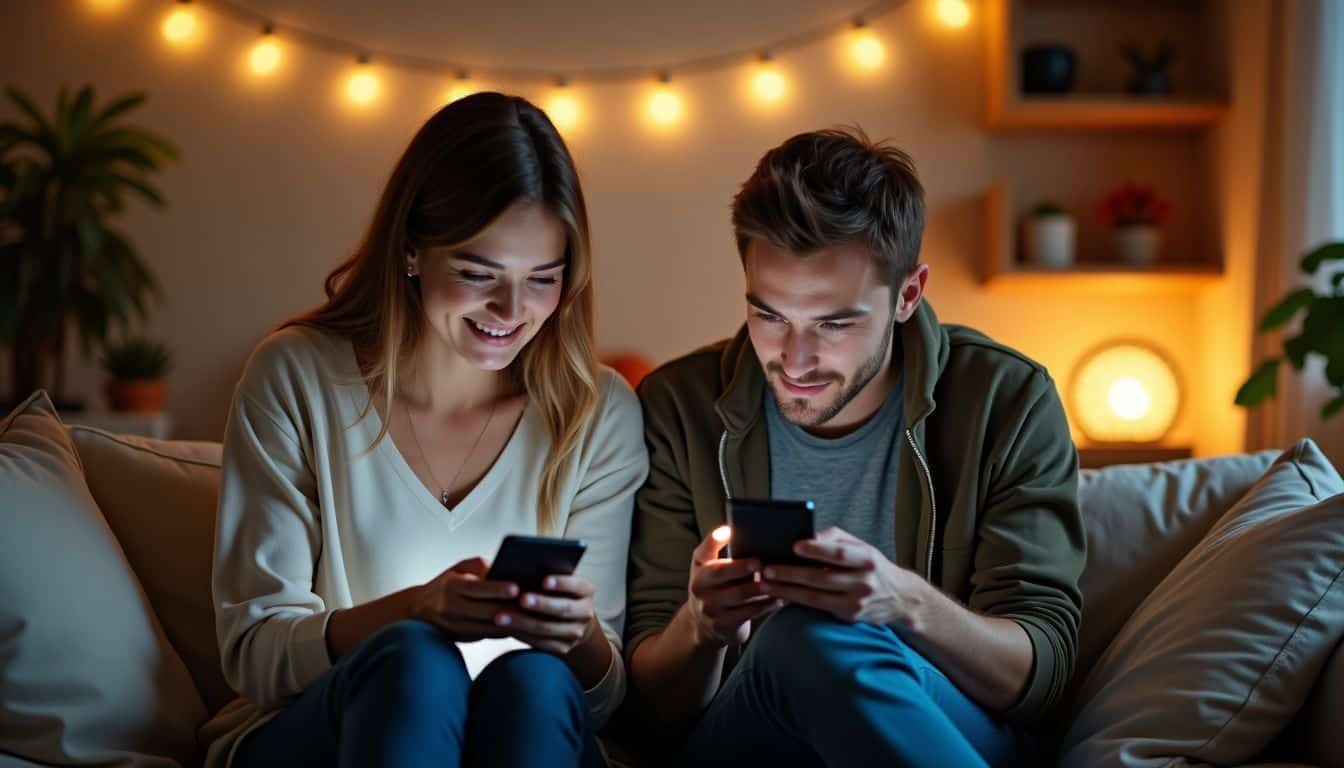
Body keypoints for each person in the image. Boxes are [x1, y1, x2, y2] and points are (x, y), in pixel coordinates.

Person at [205, 92, 648, 768]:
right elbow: (256, 655)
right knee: (417, 662)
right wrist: (413, 611)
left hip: (523, 722)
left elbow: (600, 701)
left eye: (542, 279)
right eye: (478, 274)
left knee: (532, 679)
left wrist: (580, 635)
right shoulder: (296, 375)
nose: (511, 309)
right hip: (324, 729)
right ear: (411, 251)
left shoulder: (599, 413)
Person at [624, 127, 1084, 767]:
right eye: (769, 316)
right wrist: (701, 626)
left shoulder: (1006, 400)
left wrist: (901, 600)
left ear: (908, 294)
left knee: (810, 636)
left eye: (834, 323)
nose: (794, 360)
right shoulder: (677, 408)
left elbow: (1042, 679)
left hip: (944, 722)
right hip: (746, 736)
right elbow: (648, 712)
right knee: (795, 640)